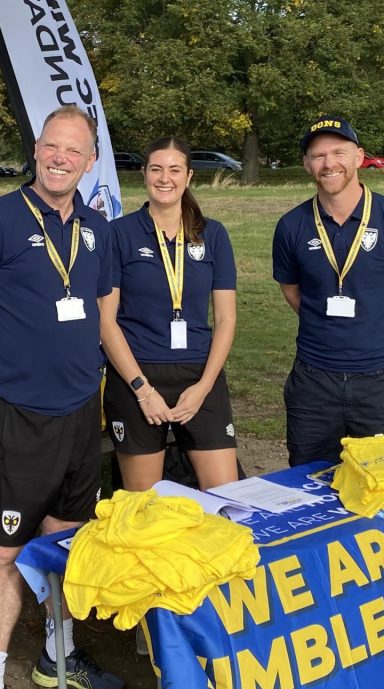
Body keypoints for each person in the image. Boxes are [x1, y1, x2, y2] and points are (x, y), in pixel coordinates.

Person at [0, 105, 123, 689]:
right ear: (37, 149)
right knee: (3, 551)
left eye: (74, 151)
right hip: (22, 416)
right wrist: (1, 382)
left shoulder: (96, 229)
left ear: (90, 162)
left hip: (79, 415)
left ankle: (58, 658)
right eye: (52, 146)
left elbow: (99, 310)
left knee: (63, 541)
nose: (60, 159)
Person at [272, 115, 384, 466]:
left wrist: (380, 329)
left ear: (358, 157)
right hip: (313, 381)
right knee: (311, 482)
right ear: (306, 164)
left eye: (338, 153)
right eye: (318, 155)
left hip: (380, 382)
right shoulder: (291, 226)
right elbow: (292, 290)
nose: (329, 163)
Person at [100, 137, 238, 491]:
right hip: (137, 375)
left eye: (175, 169)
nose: (165, 178)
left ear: (189, 176)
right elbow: (106, 320)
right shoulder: (119, 234)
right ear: (144, 174)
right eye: (156, 169)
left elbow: (225, 320)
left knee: (228, 500)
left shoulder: (213, 234)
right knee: (145, 504)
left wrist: (204, 387)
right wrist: (142, 390)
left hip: (199, 374)